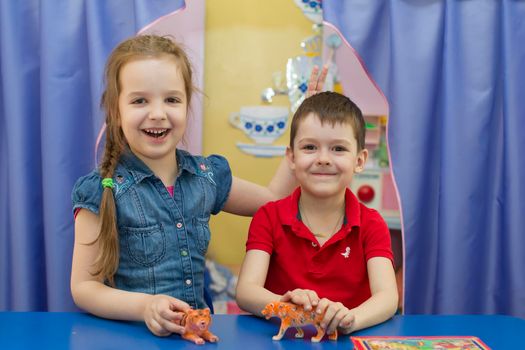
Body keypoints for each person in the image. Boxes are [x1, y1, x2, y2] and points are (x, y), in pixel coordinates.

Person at [70, 35, 327, 337]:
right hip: (130, 339)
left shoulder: (207, 176)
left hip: (196, 339)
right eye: (140, 100)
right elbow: (84, 288)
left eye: (172, 99)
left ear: (187, 105)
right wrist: (145, 307)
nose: (158, 113)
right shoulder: (100, 190)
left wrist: (303, 129)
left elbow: (272, 200)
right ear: (116, 111)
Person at [235, 91, 398, 336]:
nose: (323, 159)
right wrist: (283, 305)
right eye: (310, 147)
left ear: (360, 160)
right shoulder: (268, 216)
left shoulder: (372, 223)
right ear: (291, 157)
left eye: (338, 148)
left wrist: (351, 318)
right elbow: (246, 291)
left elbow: (387, 297)